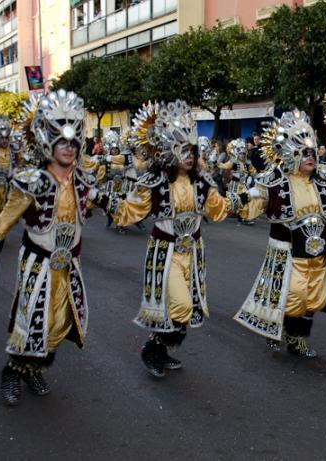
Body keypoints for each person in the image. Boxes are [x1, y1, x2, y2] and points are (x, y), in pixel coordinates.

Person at [97, 100, 236, 378]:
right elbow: (129, 210)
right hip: (166, 252)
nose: (188, 156)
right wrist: (100, 199)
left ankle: (162, 351)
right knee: (180, 305)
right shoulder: (155, 182)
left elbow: (218, 209)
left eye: (192, 151)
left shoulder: (202, 182)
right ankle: (152, 350)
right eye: (183, 150)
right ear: (170, 151)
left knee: (185, 307)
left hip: (193, 253)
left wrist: (242, 199)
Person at [0, 90, 96, 406]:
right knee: (31, 322)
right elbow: (4, 219)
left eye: (73, 143)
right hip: (37, 263)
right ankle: (12, 372)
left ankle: (33, 369)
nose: (68, 149)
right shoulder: (32, 180)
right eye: (62, 143)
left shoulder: (82, 178)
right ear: (48, 144)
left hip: (69, 265)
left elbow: (104, 203)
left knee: (58, 325)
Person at [234, 110, 326, 358]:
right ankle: (281, 327)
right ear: (291, 154)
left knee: (314, 298)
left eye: (313, 151)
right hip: (287, 253)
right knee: (293, 296)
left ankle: (296, 337)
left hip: (318, 253)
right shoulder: (274, 180)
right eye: (305, 153)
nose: (311, 156)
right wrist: (233, 202)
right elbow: (252, 202)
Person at [218, 138, 255, 225]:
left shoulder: (248, 163)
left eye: (243, 154)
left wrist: (257, 176)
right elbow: (224, 166)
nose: (242, 155)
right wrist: (216, 163)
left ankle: (243, 217)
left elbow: (253, 171)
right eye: (240, 154)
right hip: (234, 185)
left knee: (246, 199)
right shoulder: (233, 162)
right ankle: (221, 212)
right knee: (232, 202)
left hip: (243, 185)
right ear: (237, 154)